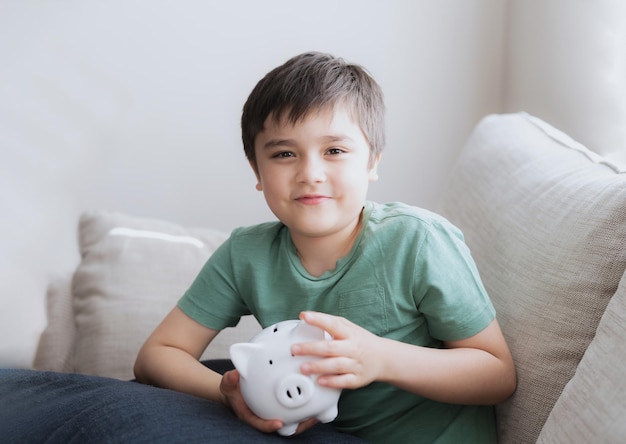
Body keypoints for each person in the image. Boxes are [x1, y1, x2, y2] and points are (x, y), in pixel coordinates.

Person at [134, 51, 516, 443]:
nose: (310, 174)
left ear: (372, 162)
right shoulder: (244, 255)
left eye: (334, 151)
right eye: (284, 154)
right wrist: (228, 394)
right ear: (257, 172)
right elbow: (158, 354)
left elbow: (496, 374)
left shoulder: (417, 241)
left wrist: (381, 358)